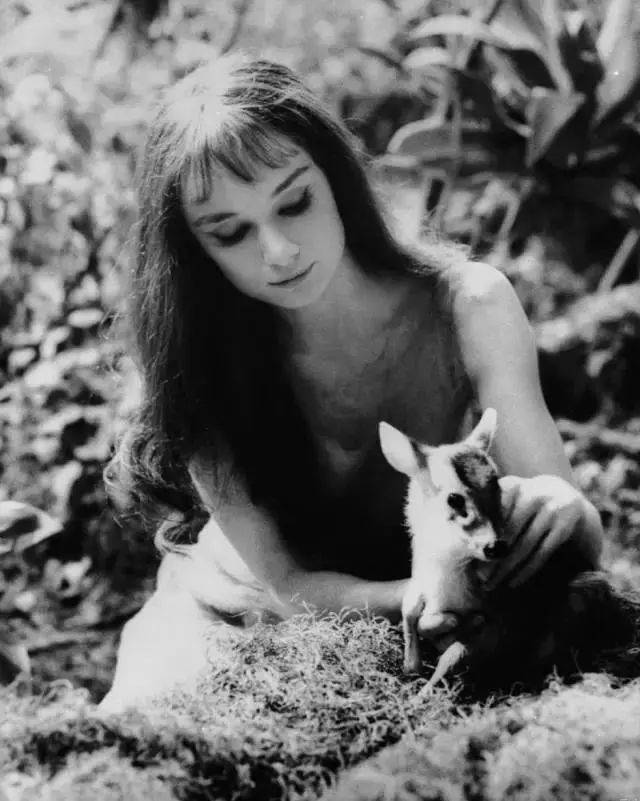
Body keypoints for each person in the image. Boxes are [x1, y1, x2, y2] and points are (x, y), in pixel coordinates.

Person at [98, 54, 603, 713]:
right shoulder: (197, 365)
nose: (278, 250)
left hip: (449, 601)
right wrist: (417, 596)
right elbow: (286, 584)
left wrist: (566, 511)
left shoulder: (469, 307)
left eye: (295, 202)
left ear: (336, 179)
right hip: (234, 614)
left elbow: (562, 513)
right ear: (195, 250)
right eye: (231, 232)